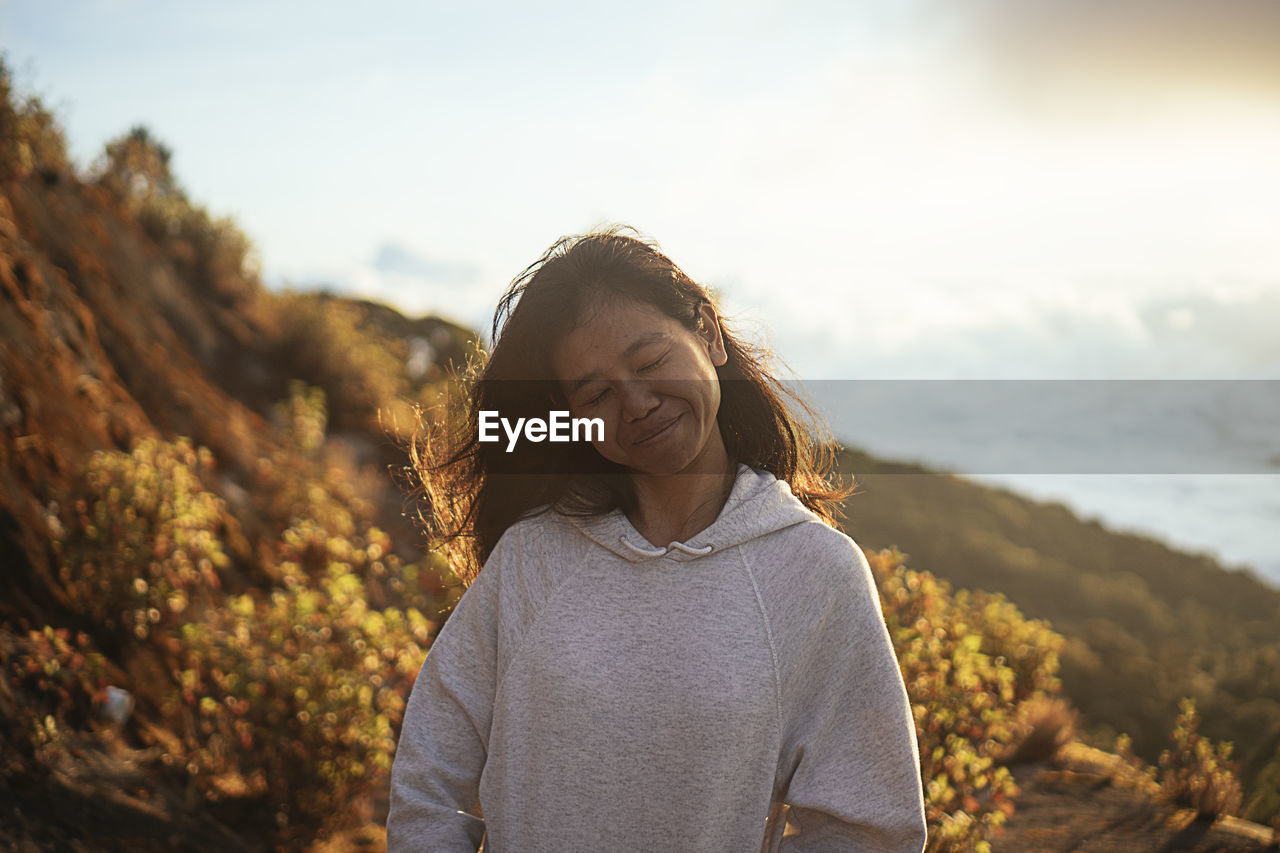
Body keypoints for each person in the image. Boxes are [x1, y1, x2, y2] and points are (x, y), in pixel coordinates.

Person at [386, 225, 927, 852]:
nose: (637, 403)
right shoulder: (533, 557)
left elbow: (869, 826)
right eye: (597, 393)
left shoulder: (813, 571)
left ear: (708, 333)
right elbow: (429, 772)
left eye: (649, 362)